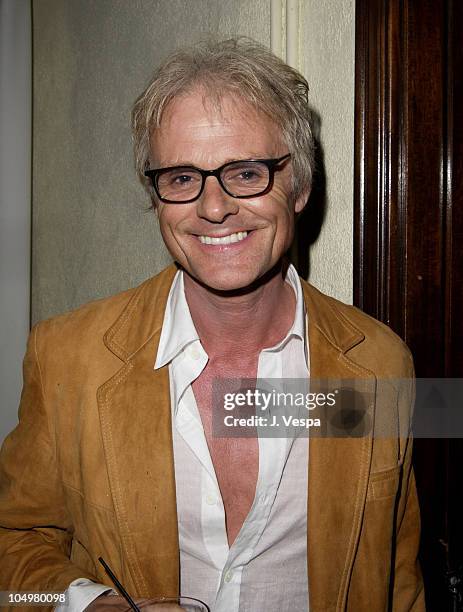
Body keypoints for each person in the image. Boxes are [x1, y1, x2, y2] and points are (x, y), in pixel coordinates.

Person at [0, 38, 424, 611]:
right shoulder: (65, 356)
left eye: (246, 173)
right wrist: (88, 605)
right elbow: (12, 556)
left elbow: (398, 580)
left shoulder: (380, 362)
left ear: (298, 185)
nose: (215, 208)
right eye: (181, 178)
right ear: (157, 196)